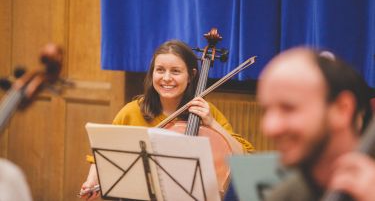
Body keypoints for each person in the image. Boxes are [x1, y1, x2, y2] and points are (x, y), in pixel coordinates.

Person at [80, 40, 255, 200]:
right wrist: (91, 181)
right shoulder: (132, 111)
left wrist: (213, 124)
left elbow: (244, 159)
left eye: (176, 71)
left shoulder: (206, 113)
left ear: (191, 75)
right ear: (152, 72)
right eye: (160, 70)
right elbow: (101, 155)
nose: (166, 78)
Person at [257, 47, 375, 201]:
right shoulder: (283, 197)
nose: (270, 127)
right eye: (266, 110)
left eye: (289, 108)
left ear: (342, 109)